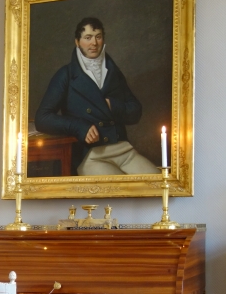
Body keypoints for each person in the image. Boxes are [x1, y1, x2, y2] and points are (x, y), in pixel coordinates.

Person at [34, 17, 159, 176]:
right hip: (90, 155)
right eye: (88, 38)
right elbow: (43, 118)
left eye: (98, 37)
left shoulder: (112, 71)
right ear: (77, 42)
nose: (94, 43)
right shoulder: (66, 75)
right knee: (122, 191)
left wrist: (112, 106)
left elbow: (135, 111)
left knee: (156, 182)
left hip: (124, 150)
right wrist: (80, 127)